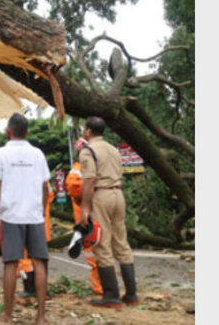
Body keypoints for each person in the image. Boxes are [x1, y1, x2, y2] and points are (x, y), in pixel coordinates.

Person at [0, 113, 51, 325]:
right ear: (27, 133)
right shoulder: (38, 154)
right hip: (34, 216)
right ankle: (41, 318)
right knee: (39, 263)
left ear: (8, 132)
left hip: (11, 215)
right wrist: (41, 210)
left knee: (10, 264)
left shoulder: (0, 154)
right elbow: (45, 187)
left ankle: (7, 318)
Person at [79, 117, 139, 308]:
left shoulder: (88, 150)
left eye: (84, 129)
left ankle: (111, 296)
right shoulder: (114, 149)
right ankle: (131, 294)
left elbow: (88, 181)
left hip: (101, 196)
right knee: (121, 242)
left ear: (88, 131)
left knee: (102, 244)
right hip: (118, 195)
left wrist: (85, 208)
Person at [66, 138, 105, 295]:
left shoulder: (78, 168)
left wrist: (84, 198)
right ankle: (108, 285)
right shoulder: (98, 165)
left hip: (86, 216)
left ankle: (99, 287)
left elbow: (74, 187)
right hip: (101, 211)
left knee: (93, 250)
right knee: (103, 249)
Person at [16, 182, 55, 299]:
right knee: (41, 258)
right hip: (42, 225)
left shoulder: (23, 178)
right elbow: (50, 195)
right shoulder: (43, 179)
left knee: (25, 257)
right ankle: (42, 289)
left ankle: (30, 289)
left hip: (27, 223)